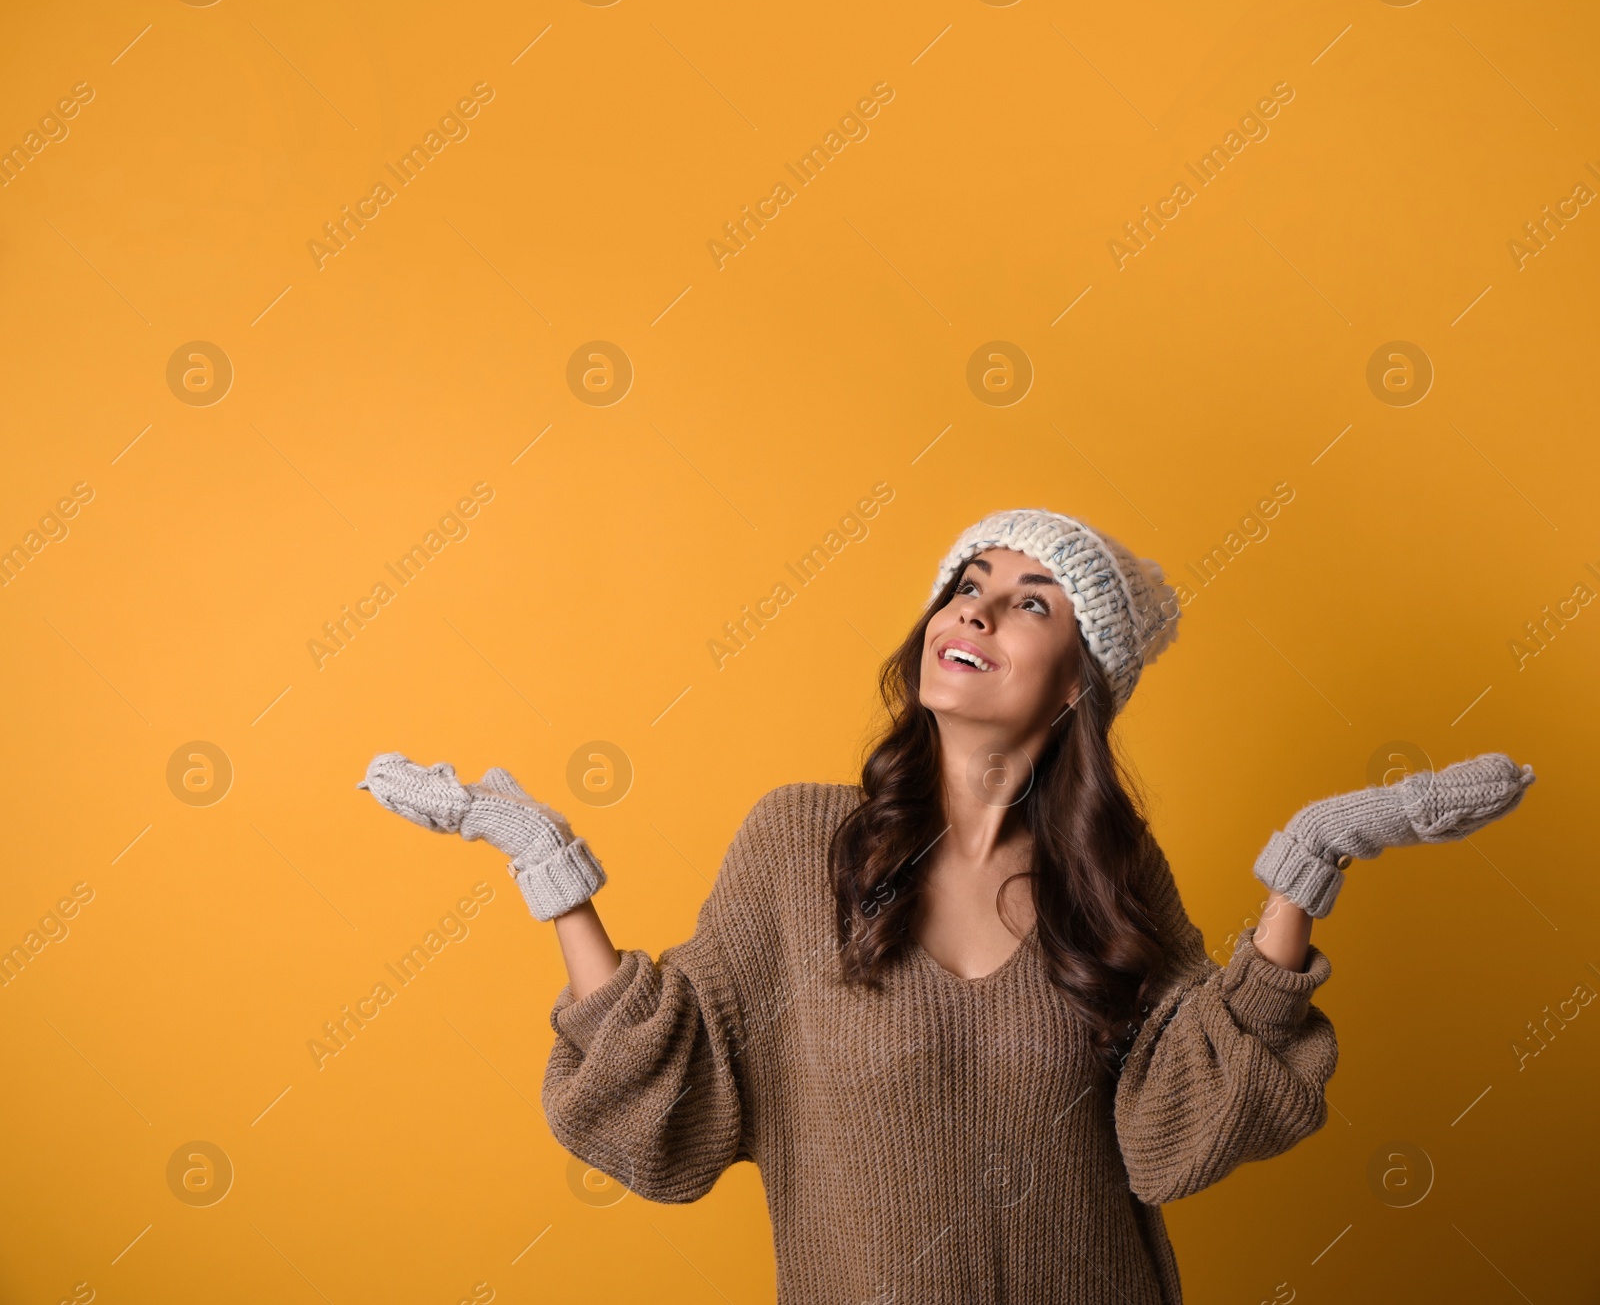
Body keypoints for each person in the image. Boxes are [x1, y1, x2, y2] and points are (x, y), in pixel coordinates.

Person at [358, 507, 1536, 1304]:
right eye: (965, 589)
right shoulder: (795, 846)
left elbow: (1181, 1128)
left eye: (1030, 603)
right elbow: (670, 1103)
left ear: (1080, 681)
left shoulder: (1111, 876)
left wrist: (1304, 868)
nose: (972, 613)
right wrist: (547, 864)